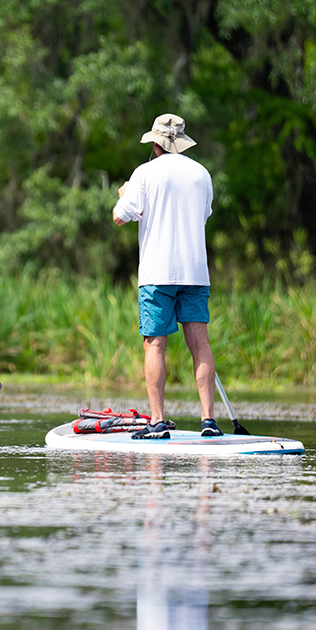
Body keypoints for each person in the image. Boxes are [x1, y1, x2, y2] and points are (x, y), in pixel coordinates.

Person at [111, 113, 223, 440]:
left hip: (157, 272)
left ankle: (157, 422)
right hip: (195, 271)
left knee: (155, 343)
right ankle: (208, 420)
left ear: (156, 143)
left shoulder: (143, 174)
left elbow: (119, 217)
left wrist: (124, 196)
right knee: (200, 342)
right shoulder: (202, 174)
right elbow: (203, 216)